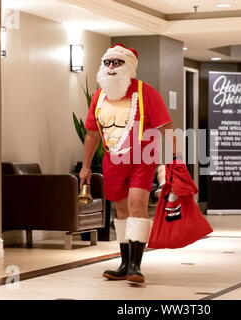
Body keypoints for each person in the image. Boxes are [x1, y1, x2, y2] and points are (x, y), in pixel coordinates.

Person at [79, 43, 178, 283]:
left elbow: (167, 128)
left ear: (129, 66)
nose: (112, 67)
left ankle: (136, 266)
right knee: (121, 210)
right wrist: (85, 166)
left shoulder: (146, 92)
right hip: (113, 161)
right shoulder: (99, 97)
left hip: (141, 160)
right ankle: (124, 264)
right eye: (108, 63)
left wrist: (176, 160)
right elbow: (92, 134)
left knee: (136, 206)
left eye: (117, 62)